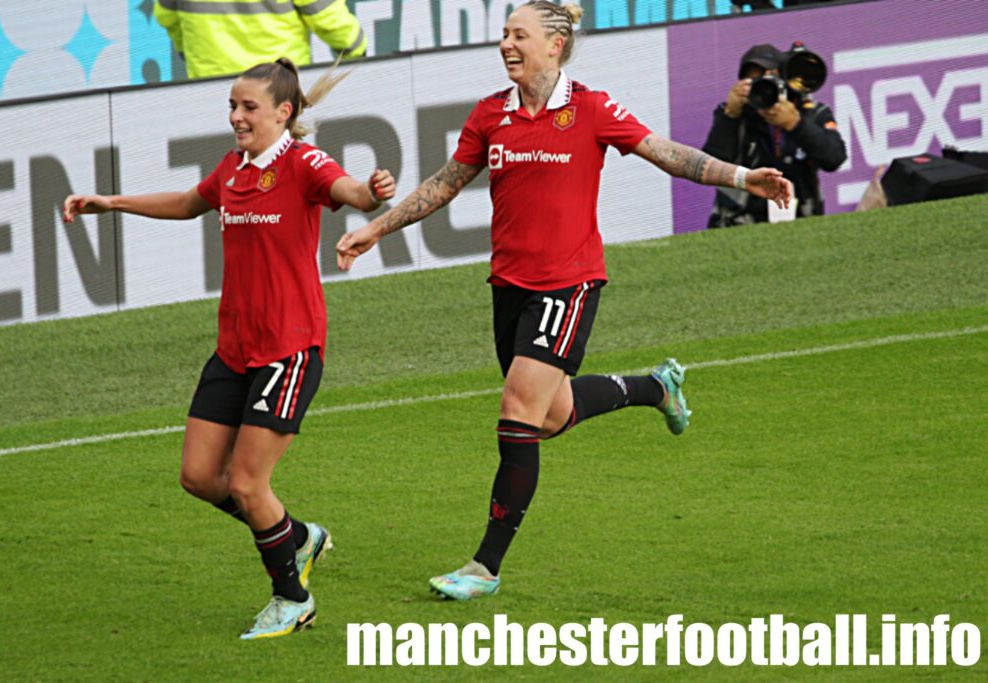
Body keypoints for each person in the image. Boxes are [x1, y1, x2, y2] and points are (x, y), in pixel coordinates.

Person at [336, 1, 791, 600]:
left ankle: (485, 566)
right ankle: (656, 388)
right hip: (509, 288)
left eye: (518, 35)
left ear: (555, 44)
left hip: (568, 284)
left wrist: (741, 176)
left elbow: (666, 152)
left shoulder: (592, 108)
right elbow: (446, 182)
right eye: (503, 35)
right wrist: (377, 228)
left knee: (518, 411)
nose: (506, 45)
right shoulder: (490, 115)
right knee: (548, 416)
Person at [63, 58, 395, 638]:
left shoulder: (303, 163)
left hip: (287, 351)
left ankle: (293, 599)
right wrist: (111, 203)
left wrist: (370, 193)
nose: (237, 117)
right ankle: (297, 537)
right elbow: (192, 202)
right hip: (234, 349)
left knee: (246, 483)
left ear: (282, 113)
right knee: (198, 476)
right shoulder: (233, 169)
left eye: (248, 108)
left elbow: (349, 192)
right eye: (232, 107)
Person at [703, 43, 847, 227]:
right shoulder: (733, 113)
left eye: (770, 82)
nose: (764, 91)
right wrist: (730, 116)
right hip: (738, 222)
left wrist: (795, 124)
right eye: (756, 84)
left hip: (802, 221)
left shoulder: (811, 113)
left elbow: (834, 158)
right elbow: (710, 169)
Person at [154, 0, 367, 79]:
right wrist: (358, 54)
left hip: (212, 90)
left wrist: (189, 53)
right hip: (279, 90)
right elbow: (330, 19)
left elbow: (167, 17)